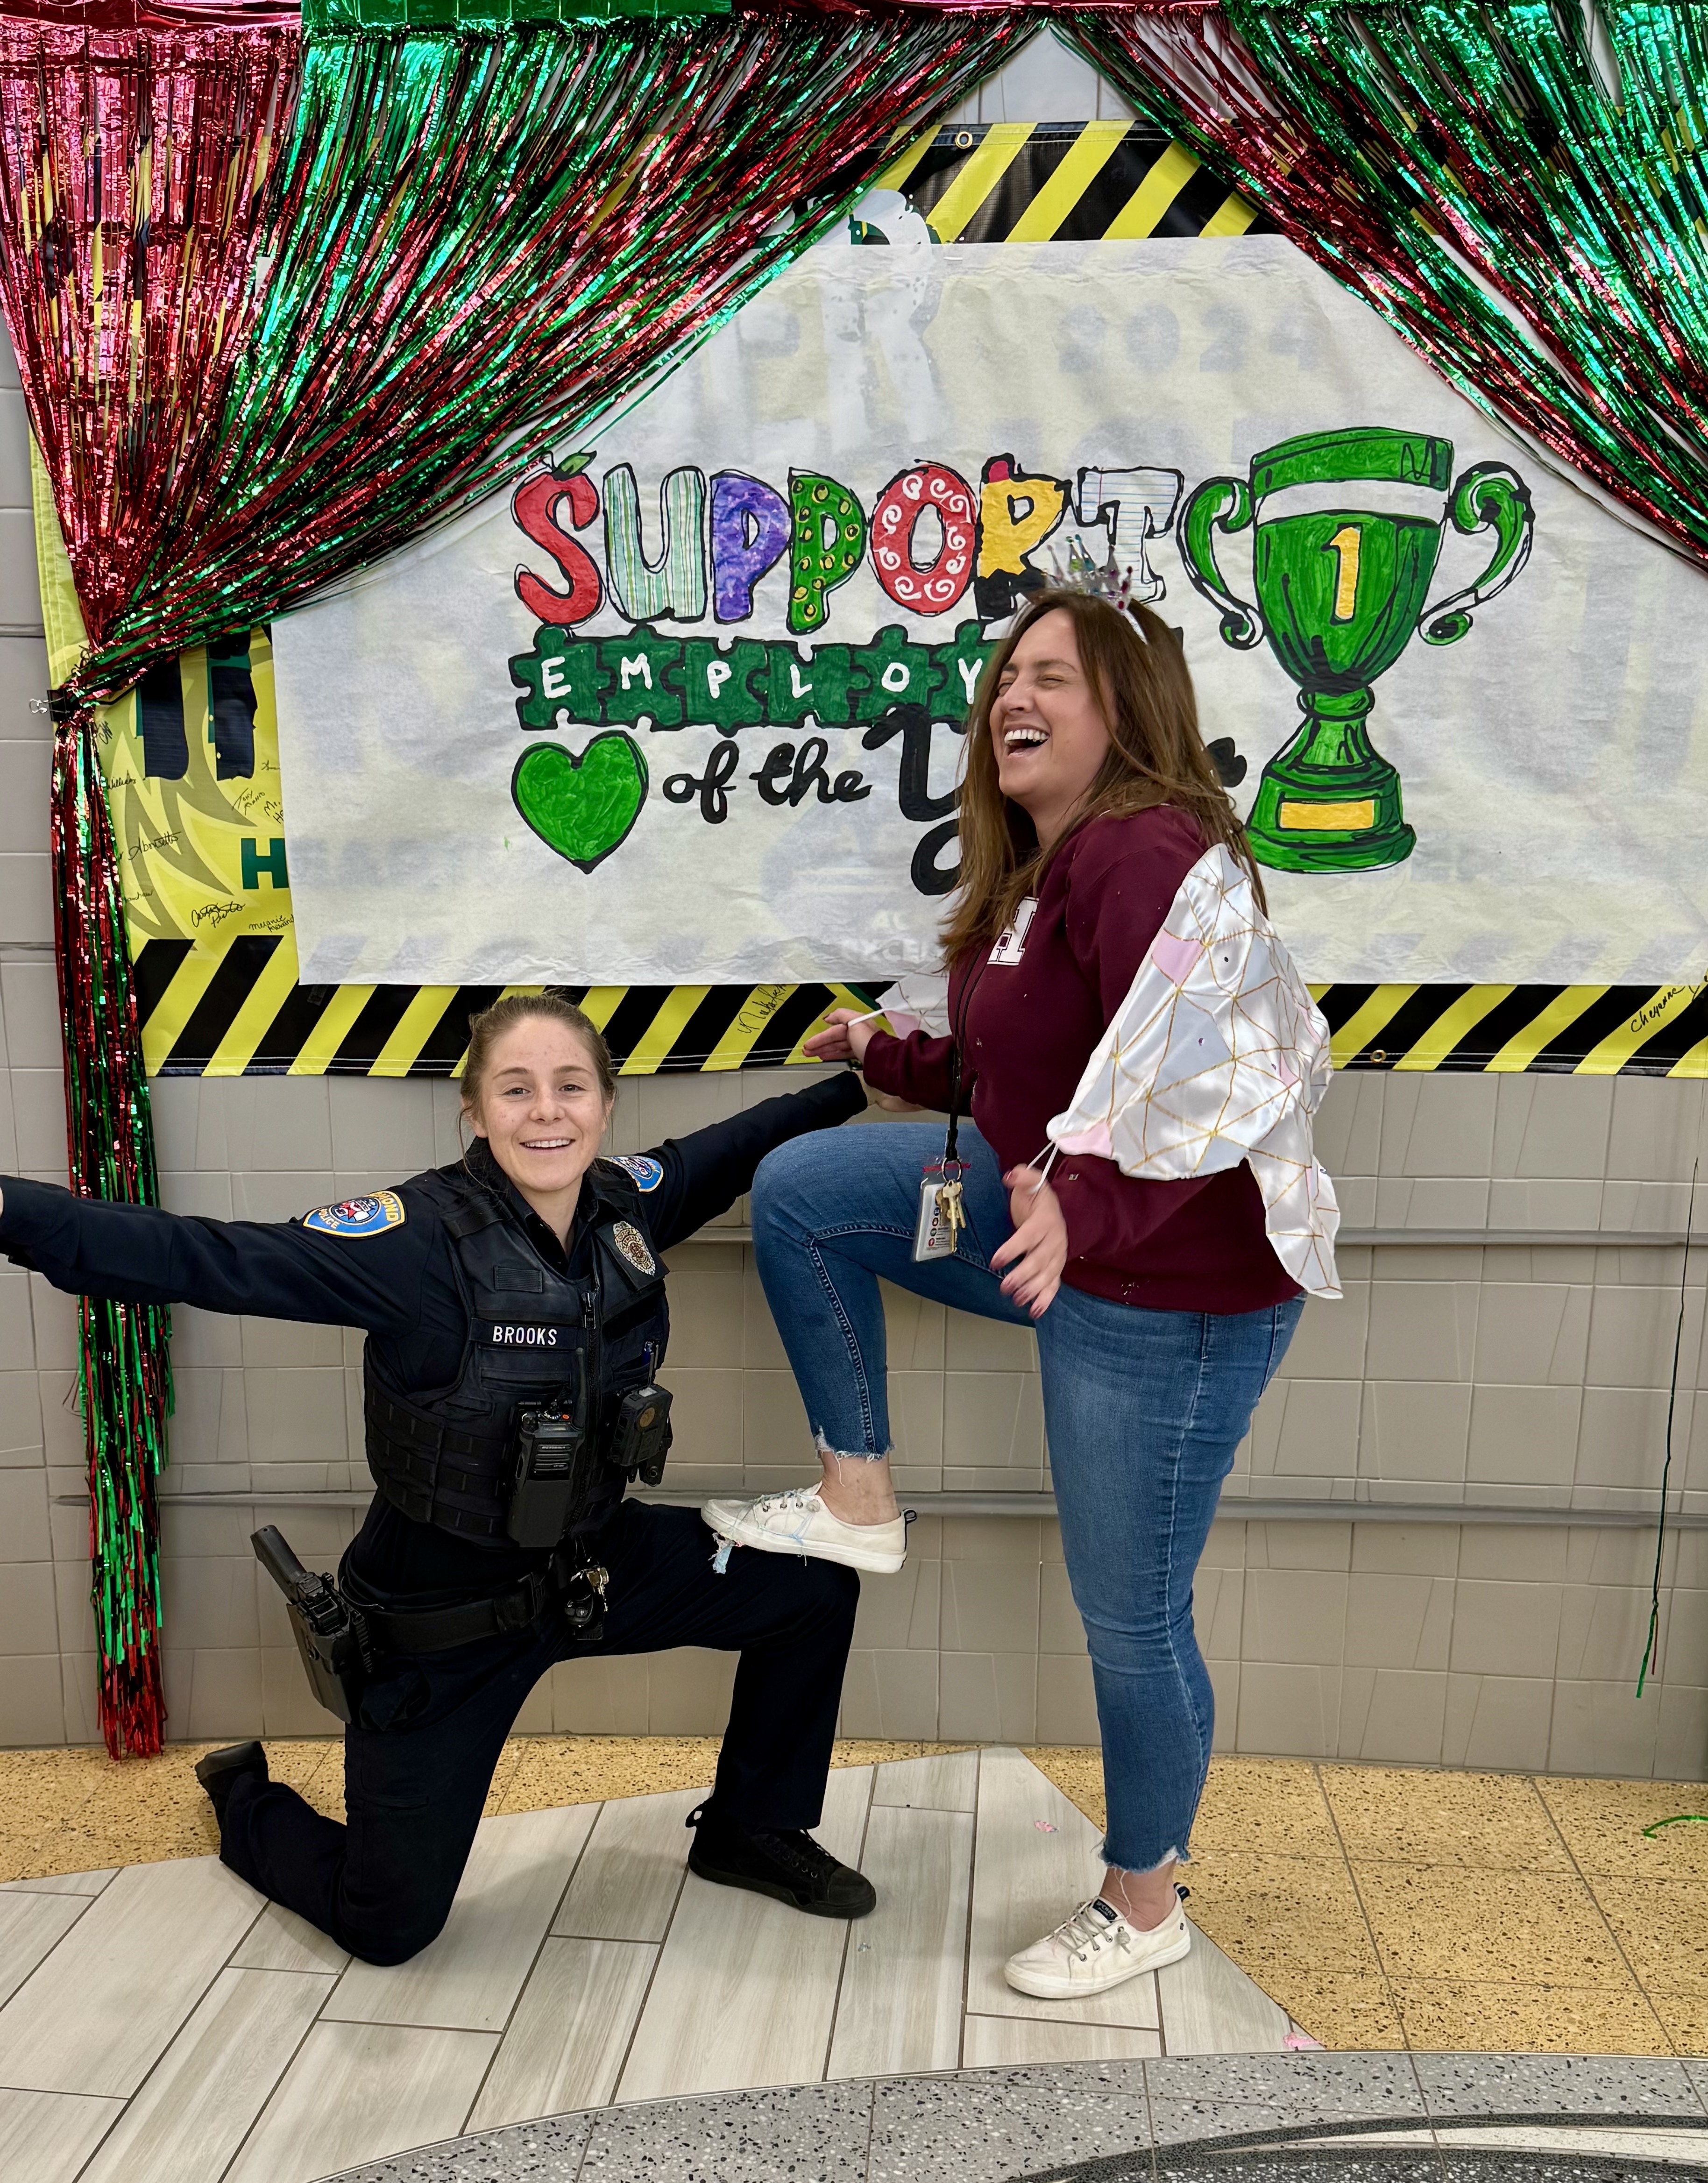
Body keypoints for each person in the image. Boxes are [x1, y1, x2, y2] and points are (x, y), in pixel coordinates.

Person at [703, 588, 1310, 2001]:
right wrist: (891, 1056)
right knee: (803, 1193)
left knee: (1130, 1612)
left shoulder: (1151, 850)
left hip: (1168, 1289)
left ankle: (1143, 1895)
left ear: (1127, 709)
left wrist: (1082, 1208)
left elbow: (1222, 1079)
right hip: (1057, 1226)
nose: (1010, 701)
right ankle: (858, 1492)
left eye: (1053, 677)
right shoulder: (1041, 873)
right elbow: (1030, 1069)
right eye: (1003, 680)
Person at [0, 994, 876, 1963]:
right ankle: (245, 1799)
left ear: (604, 1103)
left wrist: (861, 1078)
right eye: (516, 1089)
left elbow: (736, 1143)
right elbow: (203, 1256)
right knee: (387, 1927)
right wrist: (14, 1212)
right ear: (474, 1112)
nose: (546, 1111)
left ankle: (749, 1829)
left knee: (810, 1589)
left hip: (594, 1567)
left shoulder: (627, 1201)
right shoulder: (412, 1240)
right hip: (442, 1616)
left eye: (569, 1086)